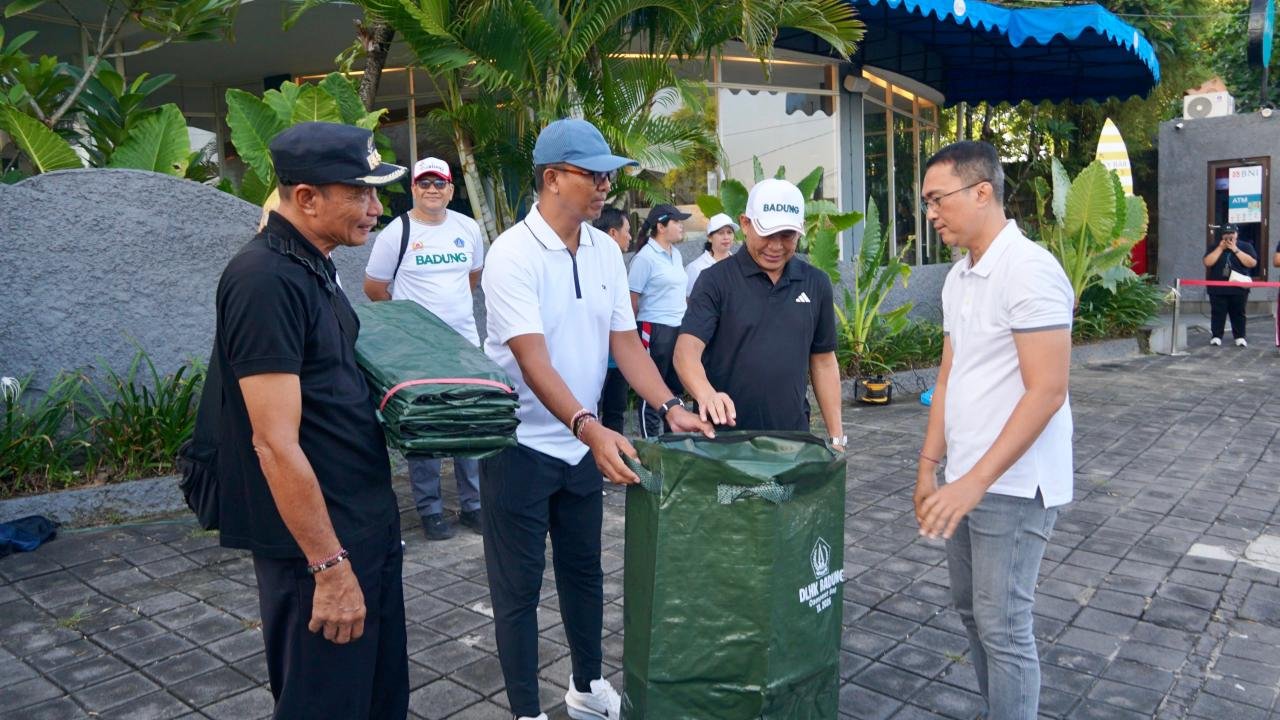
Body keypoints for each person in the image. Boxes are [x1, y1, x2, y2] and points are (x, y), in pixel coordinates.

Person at [481, 118, 713, 720]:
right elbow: (532, 361)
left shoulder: (606, 251)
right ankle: (526, 711)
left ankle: (585, 688)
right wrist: (589, 425)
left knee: (585, 573)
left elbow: (626, 346)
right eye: (593, 173)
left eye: (609, 173)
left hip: (579, 447)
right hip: (519, 446)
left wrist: (668, 406)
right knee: (518, 592)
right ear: (552, 178)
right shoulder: (511, 254)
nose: (606, 184)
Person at [214, 122, 409, 719]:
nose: (376, 209)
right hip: (320, 548)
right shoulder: (265, 280)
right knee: (325, 705)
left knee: (376, 697)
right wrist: (329, 568)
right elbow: (273, 444)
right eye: (361, 193)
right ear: (306, 198)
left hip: (362, 520)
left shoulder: (311, 260)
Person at [913, 140, 1073, 720]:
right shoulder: (961, 278)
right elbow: (950, 375)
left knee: (1004, 625)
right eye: (926, 200)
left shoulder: (1029, 271)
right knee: (971, 611)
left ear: (982, 192)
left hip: (1013, 484)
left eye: (938, 198)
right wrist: (930, 467)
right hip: (967, 476)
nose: (931, 212)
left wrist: (973, 482)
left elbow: (1048, 390)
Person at [363, 156, 485, 540]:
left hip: (464, 345)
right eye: (424, 183)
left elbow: (473, 277)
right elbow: (375, 289)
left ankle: (474, 505)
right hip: (418, 354)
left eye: (440, 183)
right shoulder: (395, 233)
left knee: (469, 425)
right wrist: (414, 327)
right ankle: (430, 510)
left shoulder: (468, 228)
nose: (432, 190)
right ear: (414, 188)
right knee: (426, 430)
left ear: (451, 189)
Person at [673, 179, 845, 449]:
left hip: (792, 443)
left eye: (787, 235)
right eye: (767, 234)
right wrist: (707, 395)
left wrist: (836, 437)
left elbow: (823, 361)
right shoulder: (715, 281)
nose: (776, 246)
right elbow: (686, 352)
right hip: (726, 442)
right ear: (745, 223)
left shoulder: (815, 282)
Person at [629, 203, 691, 438]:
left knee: (674, 387)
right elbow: (631, 299)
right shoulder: (645, 258)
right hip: (652, 328)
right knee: (652, 386)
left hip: (677, 328)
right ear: (661, 226)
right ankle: (651, 445)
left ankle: (672, 441)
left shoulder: (676, 254)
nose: (681, 226)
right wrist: (631, 338)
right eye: (676, 221)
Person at [593, 206, 633, 434]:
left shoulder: (617, 263)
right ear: (612, 234)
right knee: (591, 415)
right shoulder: (588, 264)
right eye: (626, 230)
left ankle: (615, 465)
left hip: (619, 359)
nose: (630, 236)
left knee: (616, 414)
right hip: (598, 360)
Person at [1202, 224, 1257, 347]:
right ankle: (1216, 336)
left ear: (1237, 234)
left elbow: (1252, 263)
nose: (1229, 236)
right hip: (1217, 287)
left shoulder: (1245, 246)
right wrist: (1220, 249)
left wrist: (1235, 249)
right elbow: (1208, 262)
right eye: (1226, 234)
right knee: (1217, 312)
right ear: (1222, 235)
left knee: (1238, 313)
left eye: (1232, 233)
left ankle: (1240, 337)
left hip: (1239, 287)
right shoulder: (1215, 246)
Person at [685, 212, 737, 297]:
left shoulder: (738, 265)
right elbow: (688, 300)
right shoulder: (696, 268)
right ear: (709, 237)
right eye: (721, 233)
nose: (726, 237)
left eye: (729, 232)